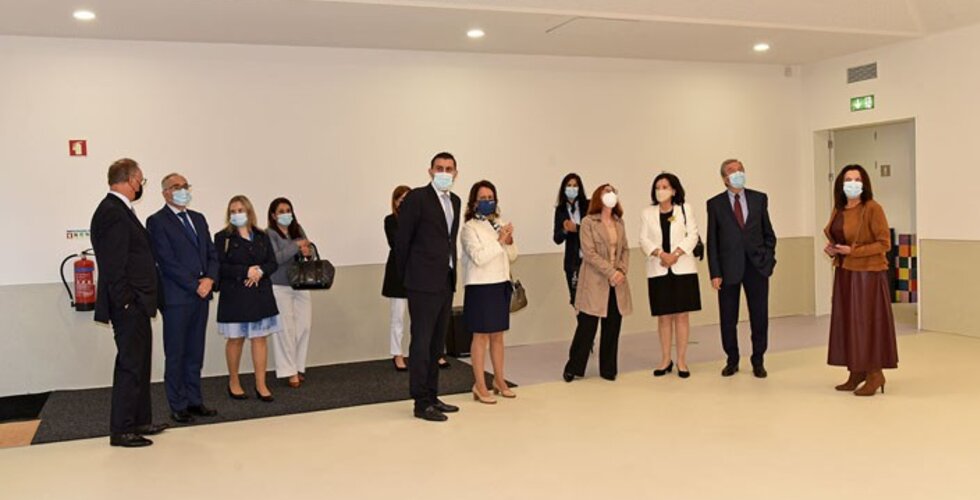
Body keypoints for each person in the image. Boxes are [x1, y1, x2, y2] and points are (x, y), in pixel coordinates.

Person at [90, 158, 168, 447]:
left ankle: (139, 420)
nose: (140, 186)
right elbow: (114, 265)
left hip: (138, 303)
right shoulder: (112, 212)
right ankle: (122, 430)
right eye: (140, 180)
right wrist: (125, 302)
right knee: (130, 365)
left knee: (141, 363)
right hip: (129, 304)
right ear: (131, 179)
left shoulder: (121, 210)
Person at [146, 173, 220, 424]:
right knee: (176, 353)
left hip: (202, 295)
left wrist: (209, 279)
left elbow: (211, 254)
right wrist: (194, 285)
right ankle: (177, 404)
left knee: (195, 352)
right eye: (176, 186)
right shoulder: (157, 221)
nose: (182, 190)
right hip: (177, 297)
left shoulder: (198, 218)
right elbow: (166, 261)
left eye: (185, 186)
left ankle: (194, 400)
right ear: (165, 192)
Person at [395, 152, 463, 422]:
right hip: (421, 283)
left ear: (456, 173)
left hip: (445, 280)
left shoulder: (455, 201)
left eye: (449, 169)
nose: (444, 172)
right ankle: (421, 402)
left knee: (437, 345)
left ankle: (433, 396)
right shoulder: (417, 198)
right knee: (421, 343)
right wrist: (408, 277)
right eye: (439, 168)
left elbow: (448, 240)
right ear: (430, 171)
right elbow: (402, 241)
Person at [824, 164, 898, 396]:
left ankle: (875, 373)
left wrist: (853, 251)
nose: (853, 184)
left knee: (866, 323)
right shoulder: (839, 208)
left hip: (868, 275)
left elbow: (884, 244)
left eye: (857, 179)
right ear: (841, 184)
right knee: (848, 322)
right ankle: (856, 370)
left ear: (864, 184)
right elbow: (840, 237)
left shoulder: (873, 208)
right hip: (845, 272)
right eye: (848, 179)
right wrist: (834, 249)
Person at [706, 159, 777, 378]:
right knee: (728, 318)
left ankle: (758, 360)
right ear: (724, 178)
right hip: (728, 269)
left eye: (740, 170)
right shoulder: (715, 204)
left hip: (757, 267)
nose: (737, 173)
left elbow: (769, 234)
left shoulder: (759, 198)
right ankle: (732, 359)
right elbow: (712, 241)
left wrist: (768, 260)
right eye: (732, 171)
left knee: (759, 316)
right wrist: (715, 273)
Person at [563, 184, 633, 382]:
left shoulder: (619, 222)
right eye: (606, 191)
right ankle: (574, 367)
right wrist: (611, 272)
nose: (610, 195)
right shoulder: (588, 222)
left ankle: (608, 368)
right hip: (595, 281)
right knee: (587, 326)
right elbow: (589, 253)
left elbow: (625, 249)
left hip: (616, 282)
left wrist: (621, 271)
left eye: (613, 192)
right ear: (598, 197)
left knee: (613, 325)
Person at [214, 195, 281, 402]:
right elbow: (219, 267)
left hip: (260, 296)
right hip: (235, 297)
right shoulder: (223, 238)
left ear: (249, 212)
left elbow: (272, 262)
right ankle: (234, 382)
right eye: (232, 211)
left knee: (260, 340)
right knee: (235, 340)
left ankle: (261, 384)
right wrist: (245, 271)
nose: (236, 214)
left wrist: (260, 271)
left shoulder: (262, 236)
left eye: (240, 210)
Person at [639, 172, 702, 378]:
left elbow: (693, 235)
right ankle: (665, 359)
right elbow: (644, 239)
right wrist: (661, 254)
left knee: (682, 316)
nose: (661, 190)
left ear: (674, 190)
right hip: (658, 268)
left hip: (682, 268)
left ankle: (682, 361)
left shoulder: (685, 209)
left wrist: (675, 255)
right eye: (658, 187)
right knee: (664, 317)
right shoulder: (647, 213)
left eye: (665, 187)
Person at [461, 180, 519, 404]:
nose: (488, 202)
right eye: (483, 198)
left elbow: (512, 256)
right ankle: (479, 384)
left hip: (500, 283)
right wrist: (500, 241)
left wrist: (509, 241)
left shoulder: (498, 224)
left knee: (498, 336)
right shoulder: (469, 228)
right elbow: (479, 257)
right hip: (480, 286)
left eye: (491, 198)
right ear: (474, 202)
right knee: (481, 336)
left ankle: (499, 380)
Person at [267, 197, 314, 389]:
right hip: (280, 285)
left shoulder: (298, 230)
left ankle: (299, 365)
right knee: (285, 330)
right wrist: (296, 246)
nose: (286, 214)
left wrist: (306, 251)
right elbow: (275, 258)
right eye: (281, 211)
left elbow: (308, 252)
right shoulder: (270, 234)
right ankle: (289, 370)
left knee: (304, 326)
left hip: (301, 283)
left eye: (288, 210)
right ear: (273, 215)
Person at [383, 185, 412, 371]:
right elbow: (396, 243)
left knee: (421, 317)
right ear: (394, 202)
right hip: (398, 273)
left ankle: (423, 352)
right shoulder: (390, 220)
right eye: (400, 199)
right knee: (398, 317)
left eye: (407, 199)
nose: (403, 202)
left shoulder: (420, 219)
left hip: (417, 272)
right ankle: (397, 353)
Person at [553, 173, 589, 304]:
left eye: (575, 185)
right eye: (569, 185)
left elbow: (595, 230)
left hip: (590, 259)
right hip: (572, 262)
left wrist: (577, 228)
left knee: (592, 300)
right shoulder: (561, 210)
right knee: (577, 301)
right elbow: (557, 238)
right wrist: (565, 230)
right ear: (564, 188)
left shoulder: (588, 206)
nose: (572, 188)